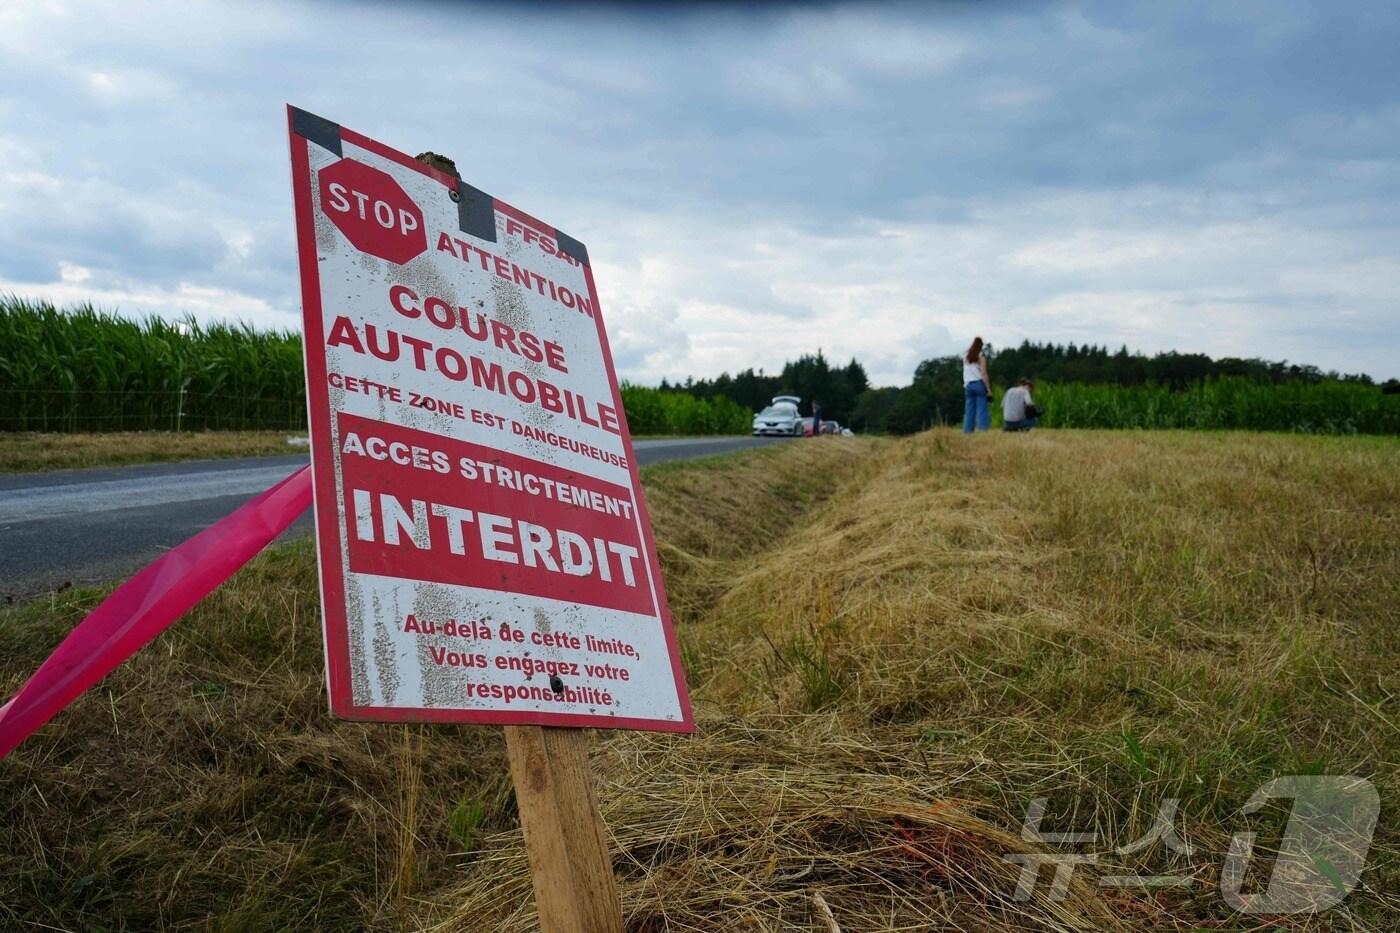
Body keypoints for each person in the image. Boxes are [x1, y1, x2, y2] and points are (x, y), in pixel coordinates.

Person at [962, 337, 991, 433]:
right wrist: (988, 389)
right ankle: (983, 431)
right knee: (982, 410)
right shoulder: (981, 359)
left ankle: (967, 431)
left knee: (969, 411)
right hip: (978, 384)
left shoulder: (965, 358)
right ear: (980, 347)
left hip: (968, 386)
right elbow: (983, 374)